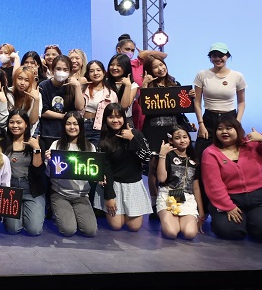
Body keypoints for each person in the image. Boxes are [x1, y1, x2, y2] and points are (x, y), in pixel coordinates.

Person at [201, 115, 262, 243]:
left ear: (237, 129)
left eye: (229, 128)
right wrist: (228, 206)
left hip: (261, 197)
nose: (224, 132)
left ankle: (256, 220)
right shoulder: (210, 153)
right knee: (229, 231)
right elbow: (213, 184)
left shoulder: (252, 144)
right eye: (220, 129)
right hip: (231, 198)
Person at [141, 56, 196, 211]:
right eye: (155, 67)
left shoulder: (175, 85)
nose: (160, 69)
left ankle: (176, 204)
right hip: (153, 132)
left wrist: (191, 97)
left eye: (162, 65)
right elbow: (140, 105)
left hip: (173, 132)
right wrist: (144, 84)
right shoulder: (148, 86)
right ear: (149, 71)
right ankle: (155, 205)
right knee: (153, 169)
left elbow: (183, 107)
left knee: (175, 167)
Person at [94, 103, 152, 231]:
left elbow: (147, 158)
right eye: (111, 117)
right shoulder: (104, 140)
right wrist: (109, 196)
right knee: (116, 226)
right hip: (115, 184)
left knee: (134, 227)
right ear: (105, 119)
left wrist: (132, 139)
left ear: (124, 118)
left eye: (119, 116)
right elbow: (105, 170)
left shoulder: (136, 134)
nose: (115, 120)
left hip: (133, 185)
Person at [45, 112, 97, 237]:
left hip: (82, 195)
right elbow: (48, 173)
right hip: (60, 193)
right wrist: (49, 162)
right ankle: (57, 210)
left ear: (81, 126)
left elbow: (93, 172)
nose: (72, 127)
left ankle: (73, 213)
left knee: (90, 231)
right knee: (68, 230)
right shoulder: (56, 145)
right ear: (64, 126)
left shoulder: (90, 147)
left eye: (75, 124)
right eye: (68, 124)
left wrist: (99, 177)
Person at [193, 43, 246, 157]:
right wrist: (201, 124)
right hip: (209, 118)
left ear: (227, 56)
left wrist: (237, 122)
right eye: (214, 56)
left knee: (231, 154)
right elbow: (197, 102)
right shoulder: (202, 75)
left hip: (230, 118)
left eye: (221, 55)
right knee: (200, 154)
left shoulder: (237, 76)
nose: (218, 58)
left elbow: (241, 102)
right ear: (210, 57)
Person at [2, 110, 46, 236]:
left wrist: (36, 149)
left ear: (26, 124)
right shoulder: (2, 144)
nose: (15, 125)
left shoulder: (36, 142)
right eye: (12, 122)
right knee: (13, 229)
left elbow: (38, 171)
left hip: (32, 190)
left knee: (34, 230)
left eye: (19, 122)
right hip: (11, 190)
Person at [156, 126, 204, 240]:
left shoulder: (194, 160)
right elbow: (161, 179)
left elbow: (196, 188)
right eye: (177, 138)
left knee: (190, 233)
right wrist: (162, 155)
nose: (182, 140)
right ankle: (169, 220)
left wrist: (201, 212)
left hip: (187, 198)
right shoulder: (168, 155)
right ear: (171, 140)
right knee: (171, 232)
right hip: (167, 195)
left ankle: (179, 221)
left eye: (185, 137)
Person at [38, 55, 84, 150]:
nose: (61, 72)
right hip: (49, 134)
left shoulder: (73, 86)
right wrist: (63, 116)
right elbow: (43, 111)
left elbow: (80, 107)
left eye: (65, 70)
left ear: (70, 71)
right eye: (58, 69)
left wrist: (77, 86)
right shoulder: (44, 86)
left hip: (69, 134)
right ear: (52, 70)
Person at [82, 60, 119, 148]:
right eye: (91, 71)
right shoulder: (82, 89)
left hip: (98, 128)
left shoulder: (111, 94)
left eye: (98, 70)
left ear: (104, 72)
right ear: (88, 74)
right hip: (81, 125)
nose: (95, 73)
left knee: (95, 152)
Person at [105, 54, 137, 127]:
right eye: (112, 65)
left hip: (125, 120)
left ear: (126, 67)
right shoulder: (105, 83)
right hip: (107, 120)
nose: (114, 68)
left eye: (119, 65)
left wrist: (128, 86)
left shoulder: (133, 85)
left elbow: (124, 105)